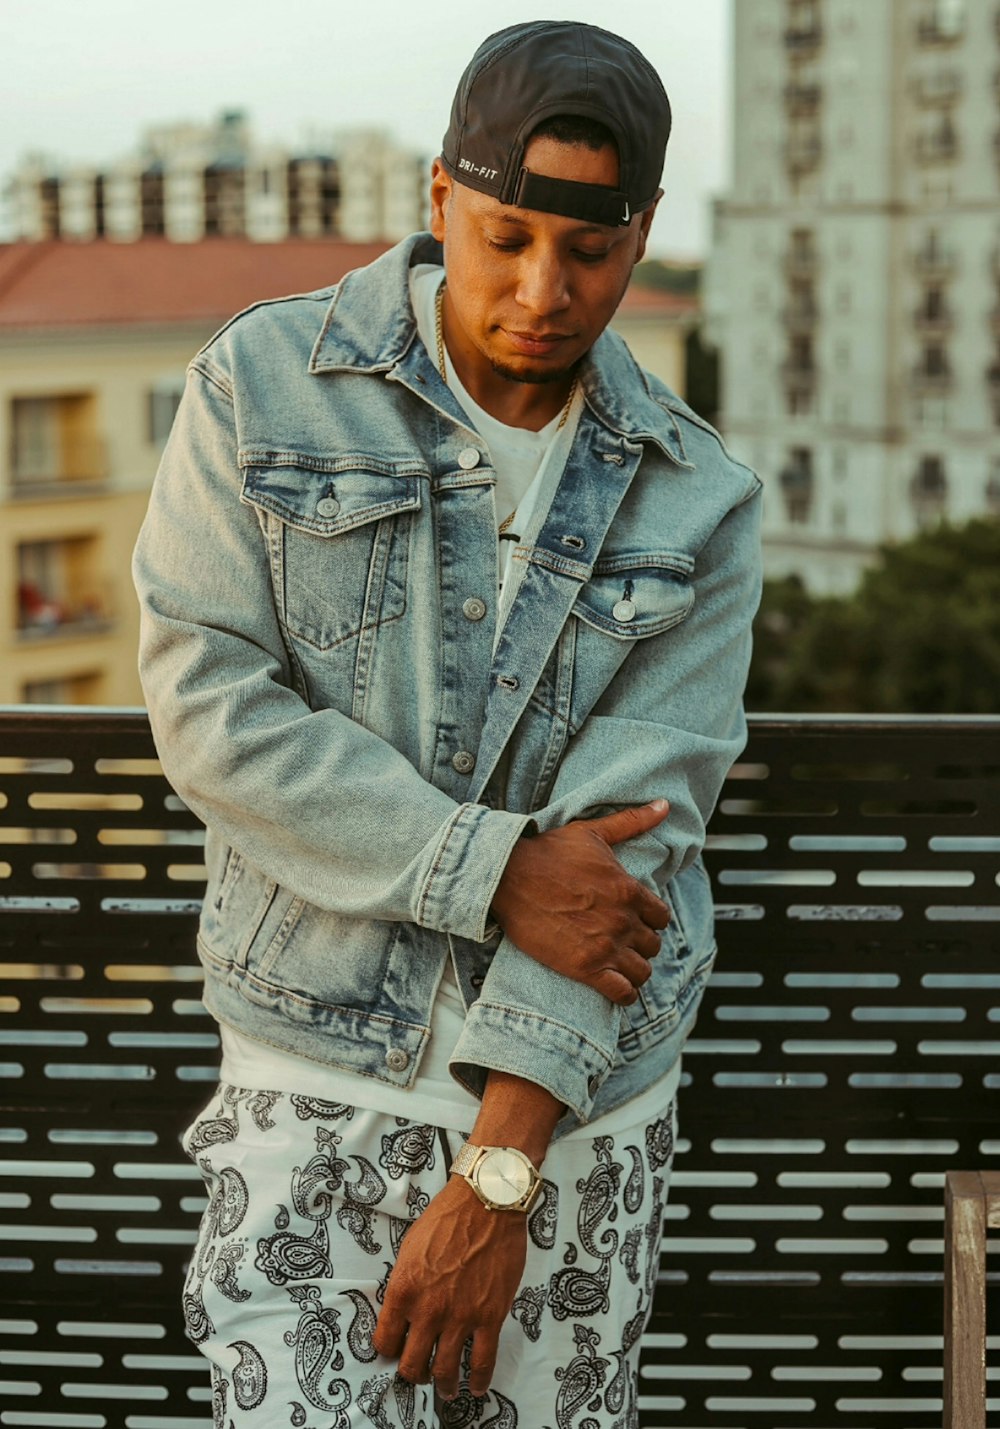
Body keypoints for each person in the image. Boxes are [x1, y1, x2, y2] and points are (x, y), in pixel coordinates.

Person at [133, 20, 762, 1428]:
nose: (544, 290)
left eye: (591, 253)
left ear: (643, 233)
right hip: (310, 1081)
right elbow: (211, 710)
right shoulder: (263, 387)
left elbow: (628, 861)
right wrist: (494, 870)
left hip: (570, 1118)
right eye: (506, 236)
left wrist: (499, 1173)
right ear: (438, 201)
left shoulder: (697, 496)